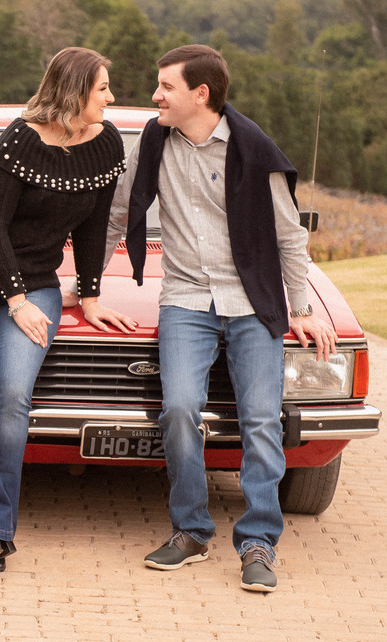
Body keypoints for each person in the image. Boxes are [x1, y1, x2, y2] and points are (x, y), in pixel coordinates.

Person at [104, 44, 338, 592]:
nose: (155, 96)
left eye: (166, 87)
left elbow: (289, 237)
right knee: (178, 410)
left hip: (252, 300)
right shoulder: (153, 142)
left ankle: (258, 543)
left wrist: (301, 308)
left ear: (201, 94)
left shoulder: (254, 150)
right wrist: (85, 288)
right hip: (185, 298)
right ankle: (190, 531)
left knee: (261, 420)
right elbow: (118, 214)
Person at [0, 47, 136, 574]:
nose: (110, 98)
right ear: (74, 91)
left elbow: (93, 227)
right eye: (102, 89)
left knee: (13, 397)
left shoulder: (107, 143)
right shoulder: (19, 140)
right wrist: (16, 301)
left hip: (38, 282)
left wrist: (89, 295)